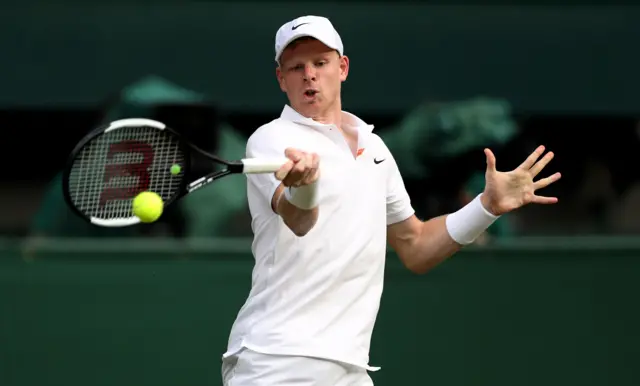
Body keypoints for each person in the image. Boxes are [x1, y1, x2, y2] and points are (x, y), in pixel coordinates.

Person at [222, 15, 561, 385]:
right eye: (296, 67)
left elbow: (414, 245)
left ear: (343, 67)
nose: (309, 75)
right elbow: (299, 220)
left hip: (350, 366)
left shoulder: (375, 149)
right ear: (281, 79)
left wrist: (485, 207)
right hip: (277, 359)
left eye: (320, 63)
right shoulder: (270, 140)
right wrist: (304, 185)